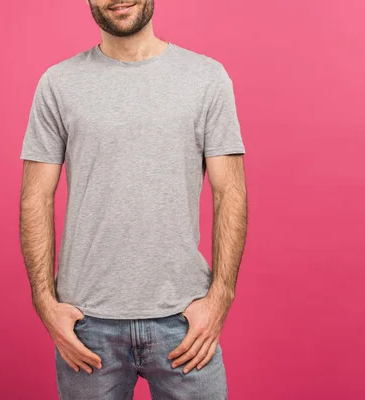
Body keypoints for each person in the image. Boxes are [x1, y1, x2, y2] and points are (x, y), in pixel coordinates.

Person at [19, 1, 247, 398]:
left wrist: (220, 297)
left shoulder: (206, 78)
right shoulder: (59, 83)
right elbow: (35, 196)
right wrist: (44, 301)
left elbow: (231, 192)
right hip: (86, 325)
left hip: (183, 320)